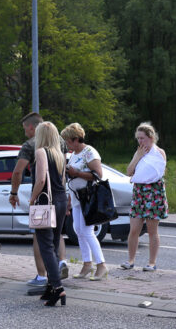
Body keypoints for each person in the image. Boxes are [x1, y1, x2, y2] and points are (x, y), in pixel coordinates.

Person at [9, 112, 68, 286]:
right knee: (56, 237)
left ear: (32, 128)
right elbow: (63, 173)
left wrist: (20, 195)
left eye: (25, 129)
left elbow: (20, 172)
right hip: (60, 196)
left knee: (41, 239)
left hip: (44, 199)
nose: (25, 133)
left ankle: (45, 277)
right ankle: (61, 263)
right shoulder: (61, 144)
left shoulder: (33, 147)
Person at [60, 123, 108, 281]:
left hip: (87, 197)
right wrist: (68, 200)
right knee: (78, 230)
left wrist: (77, 173)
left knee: (87, 231)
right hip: (76, 198)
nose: (66, 144)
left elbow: (98, 174)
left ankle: (101, 265)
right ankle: (87, 264)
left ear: (75, 139)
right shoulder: (74, 153)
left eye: (67, 141)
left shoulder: (89, 152)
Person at [28, 121, 68, 306]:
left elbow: (41, 179)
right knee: (53, 241)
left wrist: (32, 199)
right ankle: (51, 288)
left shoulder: (41, 152)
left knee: (45, 245)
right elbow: (62, 179)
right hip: (60, 200)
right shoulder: (60, 154)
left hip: (45, 201)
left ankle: (57, 288)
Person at [122, 122, 168, 272]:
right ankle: (130, 260)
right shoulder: (138, 153)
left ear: (151, 137)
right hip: (139, 191)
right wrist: (138, 157)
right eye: (138, 139)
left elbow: (159, 172)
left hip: (153, 191)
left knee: (152, 230)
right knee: (134, 228)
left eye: (142, 138)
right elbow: (129, 171)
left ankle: (152, 262)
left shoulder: (159, 152)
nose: (140, 142)